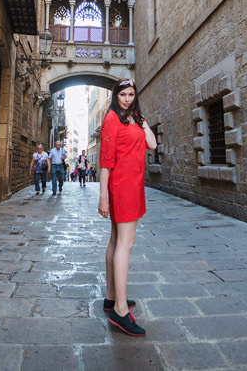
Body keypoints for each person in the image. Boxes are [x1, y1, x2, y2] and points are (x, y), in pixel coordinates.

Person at [98, 78, 157, 336]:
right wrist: (102, 196)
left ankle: (111, 297)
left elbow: (152, 144)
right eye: (123, 95)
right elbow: (105, 160)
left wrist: (142, 121)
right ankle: (120, 311)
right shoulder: (112, 118)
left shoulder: (133, 119)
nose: (127, 99)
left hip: (133, 185)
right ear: (116, 96)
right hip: (122, 186)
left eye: (131, 94)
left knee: (116, 240)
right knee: (125, 243)